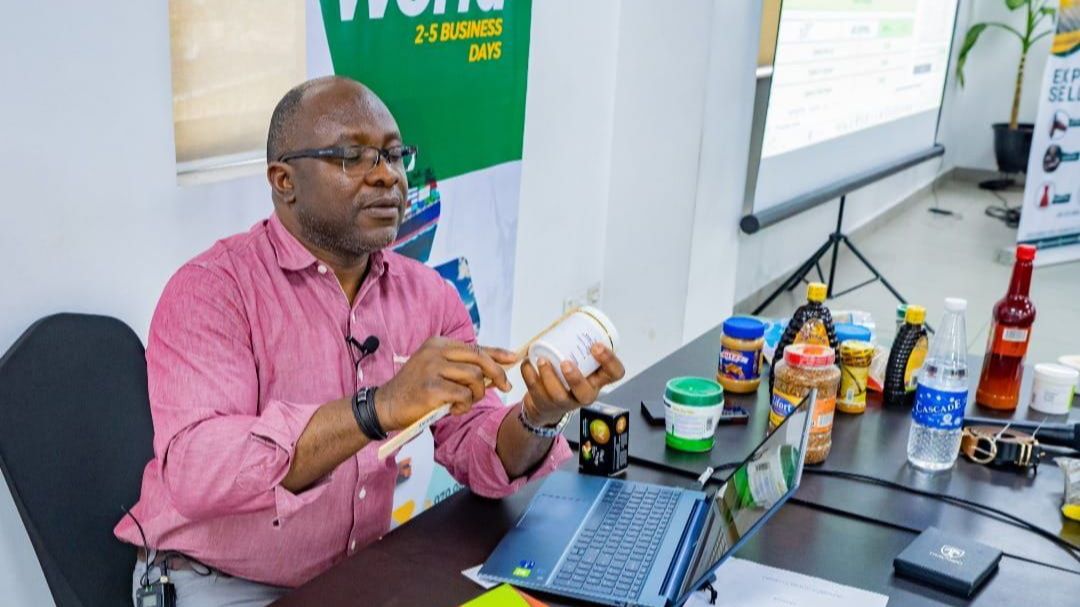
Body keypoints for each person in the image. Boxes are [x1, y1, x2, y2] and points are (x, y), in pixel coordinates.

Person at [115, 75, 625, 606]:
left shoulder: (428, 294)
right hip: (215, 579)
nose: (387, 176)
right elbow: (198, 472)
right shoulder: (212, 289)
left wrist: (538, 415)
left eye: (394, 154)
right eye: (351, 157)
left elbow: (477, 450)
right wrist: (375, 408)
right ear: (284, 180)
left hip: (356, 573)